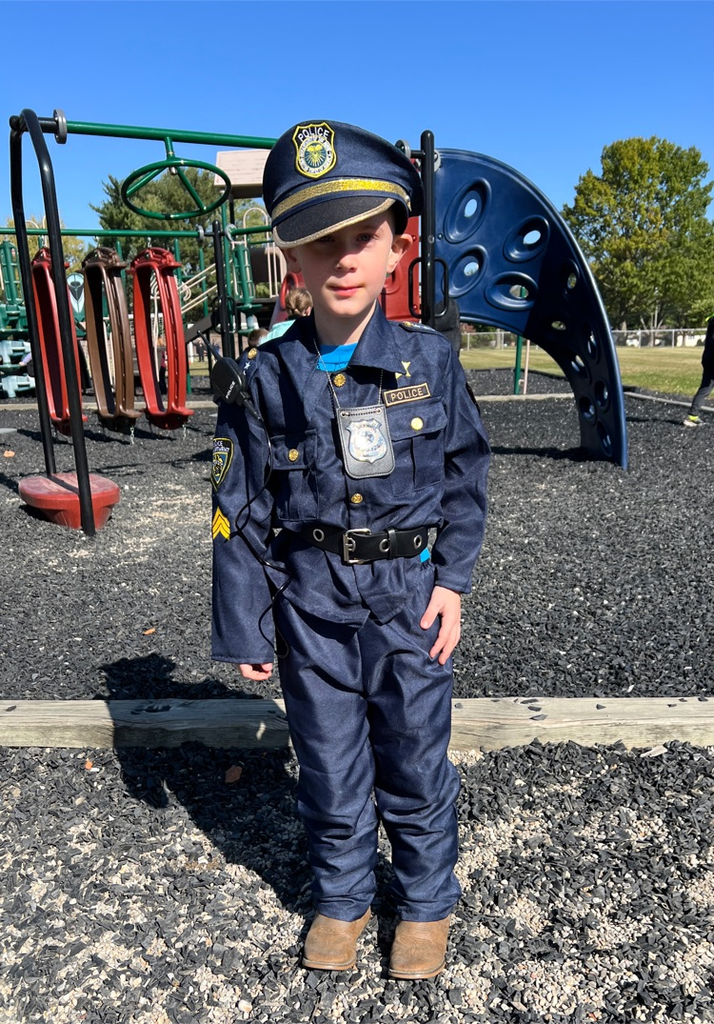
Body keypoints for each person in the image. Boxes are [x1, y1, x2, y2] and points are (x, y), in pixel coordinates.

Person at [211, 120, 490, 979]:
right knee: (330, 766)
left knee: (413, 760)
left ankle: (424, 905)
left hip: (408, 606)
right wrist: (247, 628)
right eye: (315, 241)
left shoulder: (430, 362)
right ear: (287, 259)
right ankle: (342, 898)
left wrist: (453, 584)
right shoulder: (265, 378)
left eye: (361, 235)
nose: (341, 258)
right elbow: (238, 508)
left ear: (398, 246)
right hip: (314, 611)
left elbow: (465, 475)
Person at [683, 314, 714, 427]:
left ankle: (692, 416)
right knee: (706, 387)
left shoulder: (711, 323)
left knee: (705, 388)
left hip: (708, 359)